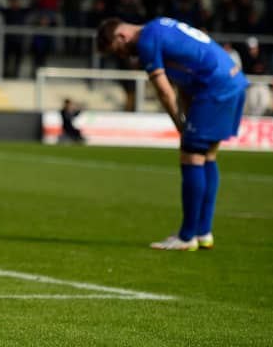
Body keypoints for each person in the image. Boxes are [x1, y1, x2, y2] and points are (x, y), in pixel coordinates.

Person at [97, 17, 248, 251]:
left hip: (215, 88)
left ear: (121, 36)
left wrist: (180, 125)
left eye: (118, 50)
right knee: (207, 155)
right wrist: (187, 119)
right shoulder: (161, 27)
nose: (123, 56)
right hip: (232, 80)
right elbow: (184, 82)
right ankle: (203, 232)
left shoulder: (147, 41)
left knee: (190, 157)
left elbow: (164, 91)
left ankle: (186, 237)